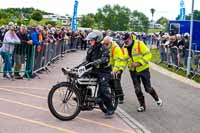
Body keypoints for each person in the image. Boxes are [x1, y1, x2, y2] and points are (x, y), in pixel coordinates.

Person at [121, 33, 162, 112]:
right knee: (137, 89)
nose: (125, 42)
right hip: (133, 71)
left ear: (130, 38)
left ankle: (157, 99)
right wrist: (120, 70)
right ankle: (142, 105)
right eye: (124, 41)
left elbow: (149, 55)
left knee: (148, 89)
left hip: (143, 69)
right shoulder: (124, 47)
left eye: (126, 40)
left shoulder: (139, 44)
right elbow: (124, 60)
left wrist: (139, 63)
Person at [85, 31, 114, 117]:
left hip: (104, 71)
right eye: (90, 40)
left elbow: (106, 58)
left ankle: (110, 108)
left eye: (91, 40)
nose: (90, 41)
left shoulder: (104, 48)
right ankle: (83, 97)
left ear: (97, 40)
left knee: (104, 88)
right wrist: (78, 68)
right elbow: (87, 61)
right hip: (94, 70)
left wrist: (98, 61)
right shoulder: (90, 49)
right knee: (81, 79)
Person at [102, 36, 125, 104]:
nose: (105, 45)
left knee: (116, 82)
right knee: (110, 81)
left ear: (110, 42)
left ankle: (121, 97)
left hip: (118, 66)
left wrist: (115, 70)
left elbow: (118, 60)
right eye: (104, 44)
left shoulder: (116, 48)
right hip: (111, 66)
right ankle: (112, 95)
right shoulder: (105, 45)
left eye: (106, 44)